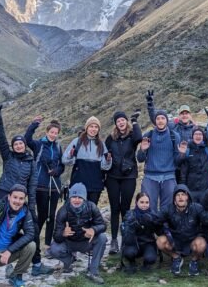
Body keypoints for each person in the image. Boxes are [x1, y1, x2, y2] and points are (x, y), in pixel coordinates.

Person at [23, 116, 64, 275]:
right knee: (41, 216)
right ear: (47, 131)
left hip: (54, 186)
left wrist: (57, 171)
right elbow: (27, 139)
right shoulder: (39, 144)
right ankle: (35, 244)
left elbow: (62, 165)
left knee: (51, 216)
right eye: (52, 132)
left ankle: (48, 245)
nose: (54, 134)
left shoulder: (58, 147)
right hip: (40, 185)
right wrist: (34, 124)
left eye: (56, 133)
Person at [50, 183, 108, 284]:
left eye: (79, 197)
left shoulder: (92, 207)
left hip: (86, 242)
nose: (76, 200)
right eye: (74, 197)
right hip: (69, 243)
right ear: (69, 197)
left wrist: (93, 230)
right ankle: (69, 260)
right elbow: (56, 237)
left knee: (102, 238)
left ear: (84, 198)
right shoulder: (63, 211)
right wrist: (63, 233)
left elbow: (103, 225)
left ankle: (93, 271)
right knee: (53, 249)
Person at [156, 184, 208, 276]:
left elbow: (205, 219)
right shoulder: (168, 209)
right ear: (174, 199)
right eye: (178, 195)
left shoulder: (196, 208)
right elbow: (157, 220)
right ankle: (176, 258)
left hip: (192, 240)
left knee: (201, 244)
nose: (180, 197)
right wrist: (164, 232)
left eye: (183, 194)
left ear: (187, 197)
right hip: (175, 241)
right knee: (160, 241)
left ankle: (194, 261)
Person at [104, 110, 143, 254]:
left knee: (126, 209)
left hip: (129, 176)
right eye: (118, 121)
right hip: (113, 177)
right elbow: (105, 154)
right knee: (115, 208)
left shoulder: (132, 136)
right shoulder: (110, 138)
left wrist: (134, 122)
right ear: (115, 124)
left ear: (126, 122)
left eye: (122, 120)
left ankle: (126, 240)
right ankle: (114, 241)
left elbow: (139, 138)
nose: (120, 122)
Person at [0, 102, 37, 215]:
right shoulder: (8, 156)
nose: (18, 146)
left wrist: (32, 208)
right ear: (13, 146)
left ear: (24, 145)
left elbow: (32, 186)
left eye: (21, 143)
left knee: (14, 224)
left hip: (19, 197)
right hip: (3, 192)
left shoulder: (31, 162)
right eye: (16, 144)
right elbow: (1, 136)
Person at [137, 108, 181, 212]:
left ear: (166, 120)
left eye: (162, 118)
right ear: (155, 121)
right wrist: (142, 150)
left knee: (168, 208)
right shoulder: (148, 135)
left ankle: (165, 228)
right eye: (158, 118)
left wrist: (182, 154)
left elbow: (177, 160)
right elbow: (140, 159)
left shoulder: (174, 136)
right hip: (150, 177)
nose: (160, 121)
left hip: (169, 176)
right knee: (148, 206)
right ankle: (150, 227)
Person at [62, 116, 111, 205]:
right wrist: (70, 154)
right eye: (91, 126)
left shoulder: (102, 145)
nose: (93, 129)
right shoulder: (77, 141)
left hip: (96, 184)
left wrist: (108, 160)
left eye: (96, 127)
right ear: (86, 128)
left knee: (91, 210)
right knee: (76, 209)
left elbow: (105, 167)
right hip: (78, 183)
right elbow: (65, 160)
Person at [121, 192, 161, 273]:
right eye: (141, 202)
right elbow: (124, 235)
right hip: (133, 243)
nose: (144, 205)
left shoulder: (153, 214)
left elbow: (160, 232)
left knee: (151, 258)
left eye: (147, 202)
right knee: (129, 253)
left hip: (148, 243)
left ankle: (146, 264)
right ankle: (132, 262)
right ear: (136, 203)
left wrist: (153, 223)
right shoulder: (130, 214)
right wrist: (132, 226)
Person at [177, 127, 208, 204]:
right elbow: (182, 170)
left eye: (200, 134)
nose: (198, 136)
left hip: (206, 188)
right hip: (191, 189)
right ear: (192, 136)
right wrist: (182, 154)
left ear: (203, 136)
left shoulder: (207, 149)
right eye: (196, 134)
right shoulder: (188, 150)